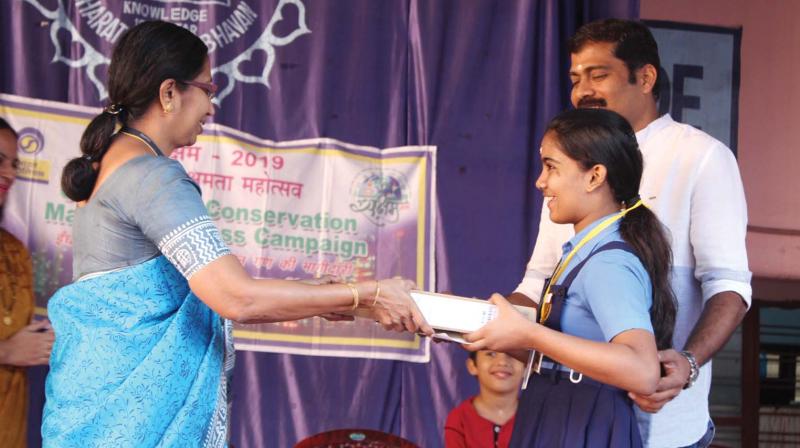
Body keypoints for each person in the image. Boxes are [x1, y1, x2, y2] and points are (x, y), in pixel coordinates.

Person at [41, 21, 432, 447]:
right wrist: (368, 294)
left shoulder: (109, 167)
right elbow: (236, 296)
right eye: (207, 90)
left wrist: (329, 297)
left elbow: (214, 291)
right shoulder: (152, 177)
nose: (211, 106)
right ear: (170, 93)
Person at [509, 19, 750, 447]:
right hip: (577, 418)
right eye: (575, 78)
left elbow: (728, 286)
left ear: (645, 77)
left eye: (598, 74)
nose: (582, 90)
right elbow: (537, 284)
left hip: (664, 420)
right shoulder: (570, 166)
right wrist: (483, 323)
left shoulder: (702, 157)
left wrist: (688, 363)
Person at [466, 108, 676, 447]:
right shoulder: (584, 252)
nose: (540, 181)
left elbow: (642, 370)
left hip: (582, 424)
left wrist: (530, 334)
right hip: (559, 415)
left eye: (551, 167)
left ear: (594, 177)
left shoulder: (610, 264)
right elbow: (560, 355)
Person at [0, 118, 55, 448]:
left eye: (15, 163)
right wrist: (7, 350)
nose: (9, 173)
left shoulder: (14, 251)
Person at [444, 350, 524, 448]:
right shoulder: (459, 420)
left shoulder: (538, 419)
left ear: (527, 367)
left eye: (512, 354)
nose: (502, 362)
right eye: (491, 354)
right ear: (472, 365)